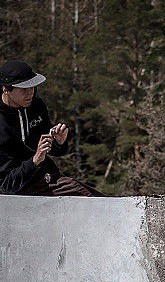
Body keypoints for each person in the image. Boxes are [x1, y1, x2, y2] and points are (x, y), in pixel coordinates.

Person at [0, 59, 103, 196]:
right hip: (19, 192)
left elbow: (50, 147)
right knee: (91, 199)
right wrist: (35, 161)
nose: (30, 93)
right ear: (6, 89)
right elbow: (5, 186)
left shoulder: (35, 105)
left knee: (97, 198)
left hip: (47, 177)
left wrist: (58, 142)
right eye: (24, 89)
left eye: (33, 87)